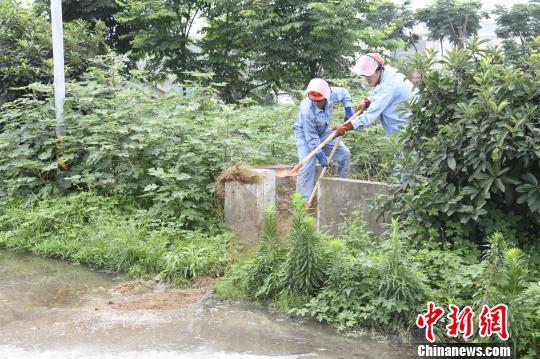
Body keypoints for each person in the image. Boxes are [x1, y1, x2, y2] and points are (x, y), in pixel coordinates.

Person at [293, 78, 353, 200]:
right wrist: (320, 155)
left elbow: (344, 93)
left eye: (319, 101)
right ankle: (302, 203)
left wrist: (348, 109)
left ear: (326, 97)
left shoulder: (331, 92)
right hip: (305, 136)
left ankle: (339, 188)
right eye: (313, 100)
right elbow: (311, 138)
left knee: (345, 155)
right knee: (307, 166)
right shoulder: (306, 111)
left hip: (324, 132)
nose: (316, 103)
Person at [333, 53, 415, 138]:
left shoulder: (388, 86)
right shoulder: (388, 74)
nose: (367, 78)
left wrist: (345, 127)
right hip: (405, 130)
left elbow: (368, 117)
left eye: (369, 74)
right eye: (365, 75)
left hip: (409, 133)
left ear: (379, 70)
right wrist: (367, 100)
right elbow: (378, 91)